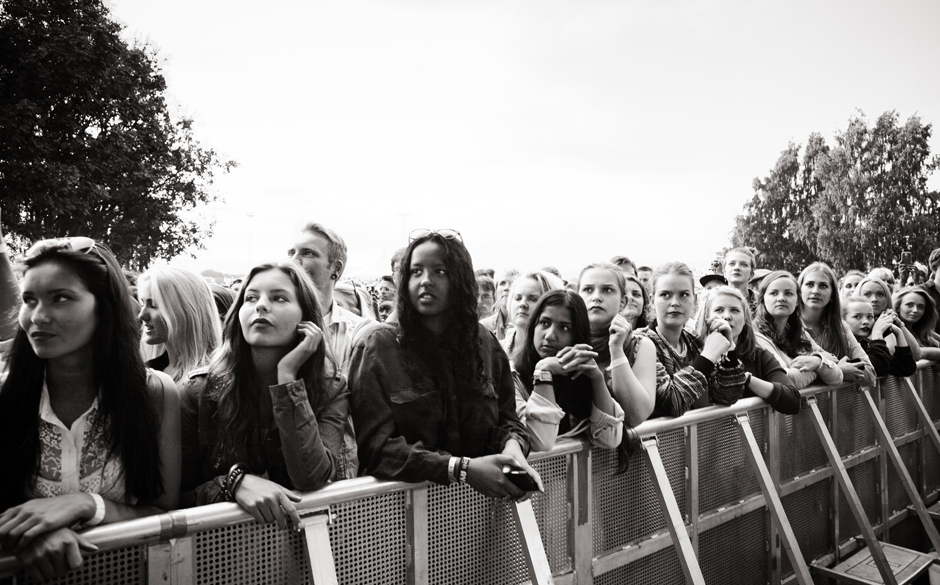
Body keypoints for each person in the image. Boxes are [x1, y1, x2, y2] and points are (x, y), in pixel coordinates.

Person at [0, 238, 180, 582]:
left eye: (61, 298)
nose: (38, 316)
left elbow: (163, 512)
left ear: (106, 307)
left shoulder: (154, 393)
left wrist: (86, 505)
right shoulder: (4, 394)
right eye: (29, 300)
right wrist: (30, 534)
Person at [348, 230, 542, 500]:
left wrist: (512, 447)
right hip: (398, 515)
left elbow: (507, 419)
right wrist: (460, 469)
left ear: (459, 279)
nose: (425, 281)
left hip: (478, 510)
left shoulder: (485, 344)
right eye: (416, 272)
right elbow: (376, 448)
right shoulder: (378, 347)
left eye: (439, 271)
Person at [179, 261, 349, 528]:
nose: (261, 305)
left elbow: (311, 477)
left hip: (298, 550)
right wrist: (233, 483)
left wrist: (287, 378)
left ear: (307, 319)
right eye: (251, 298)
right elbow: (176, 496)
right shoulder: (198, 391)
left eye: (279, 298)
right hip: (215, 554)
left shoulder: (330, 388)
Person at [512, 290, 624, 451]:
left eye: (564, 328)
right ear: (533, 326)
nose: (550, 335)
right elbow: (541, 441)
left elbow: (610, 440)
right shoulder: (512, 377)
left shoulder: (583, 377)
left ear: (577, 335)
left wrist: (597, 379)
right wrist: (543, 371)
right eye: (544, 323)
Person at [635, 262, 742, 417]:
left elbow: (727, 396)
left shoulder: (693, 341)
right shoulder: (641, 343)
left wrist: (730, 349)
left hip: (702, 439)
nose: (675, 303)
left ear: (695, 299)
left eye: (683, 295)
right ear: (652, 300)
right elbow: (672, 403)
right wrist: (707, 357)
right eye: (665, 295)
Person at [696, 287, 800, 414]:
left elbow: (793, 400)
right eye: (719, 310)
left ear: (745, 318)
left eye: (735, 310)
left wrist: (745, 378)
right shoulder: (694, 352)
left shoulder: (759, 356)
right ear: (707, 317)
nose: (727, 316)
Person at [577, 262, 657, 426]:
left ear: (622, 302)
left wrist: (616, 349)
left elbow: (637, 415)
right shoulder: (565, 341)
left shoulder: (641, 346)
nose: (596, 297)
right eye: (588, 290)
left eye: (607, 290)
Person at [753, 271, 843, 389]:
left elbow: (837, 377)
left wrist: (817, 362)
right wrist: (820, 366)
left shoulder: (800, 334)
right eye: (774, 293)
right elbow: (785, 379)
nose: (781, 299)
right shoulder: (755, 336)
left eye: (788, 293)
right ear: (763, 299)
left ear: (797, 301)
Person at [137, 266, 222, 383]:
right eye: (142, 304)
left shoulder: (210, 380)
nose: (141, 315)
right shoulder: (147, 371)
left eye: (153, 305)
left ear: (185, 311)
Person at [798, 263, 875, 386]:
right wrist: (838, 370)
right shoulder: (789, 326)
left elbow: (870, 375)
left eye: (823, 286)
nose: (815, 291)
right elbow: (791, 376)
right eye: (810, 284)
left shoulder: (841, 327)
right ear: (800, 290)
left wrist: (824, 368)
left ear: (832, 295)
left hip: (840, 404)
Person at [843, 297, 916, 378]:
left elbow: (906, 368)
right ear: (842, 321)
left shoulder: (865, 345)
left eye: (870, 317)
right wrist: (877, 334)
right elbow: (878, 369)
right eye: (857, 316)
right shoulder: (842, 347)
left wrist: (898, 333)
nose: (866, 322)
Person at [856, 276, 922, 360]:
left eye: (880, 294)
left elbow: (916, 356)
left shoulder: (891, 323)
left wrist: (900, 325)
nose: (874, 299)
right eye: (867, 294)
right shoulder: (851, 325)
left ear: (887, 299)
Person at [501, 270, 565, 356]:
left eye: (533, 299)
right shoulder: (494, 349)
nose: (523, 304)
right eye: (518, 298)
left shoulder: (559, 354)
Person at [893, 287, 940, 360]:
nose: (915, 310)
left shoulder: (923, 331)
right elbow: (917, 353)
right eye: (910, 305)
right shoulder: (892, 330)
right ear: (898, 307)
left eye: (921, 307)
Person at [481, 269, 518, 341]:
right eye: (502, 283)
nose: (507, 288)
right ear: (495, 292)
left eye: (512, 283)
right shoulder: (484, 326)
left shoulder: (526, 325)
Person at [723, 247, 759, 312]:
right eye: (732, 264)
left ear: (751, 274)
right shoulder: (713, 300)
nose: (737, 268)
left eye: (744, 265)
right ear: (724, 272)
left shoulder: (762, 302)